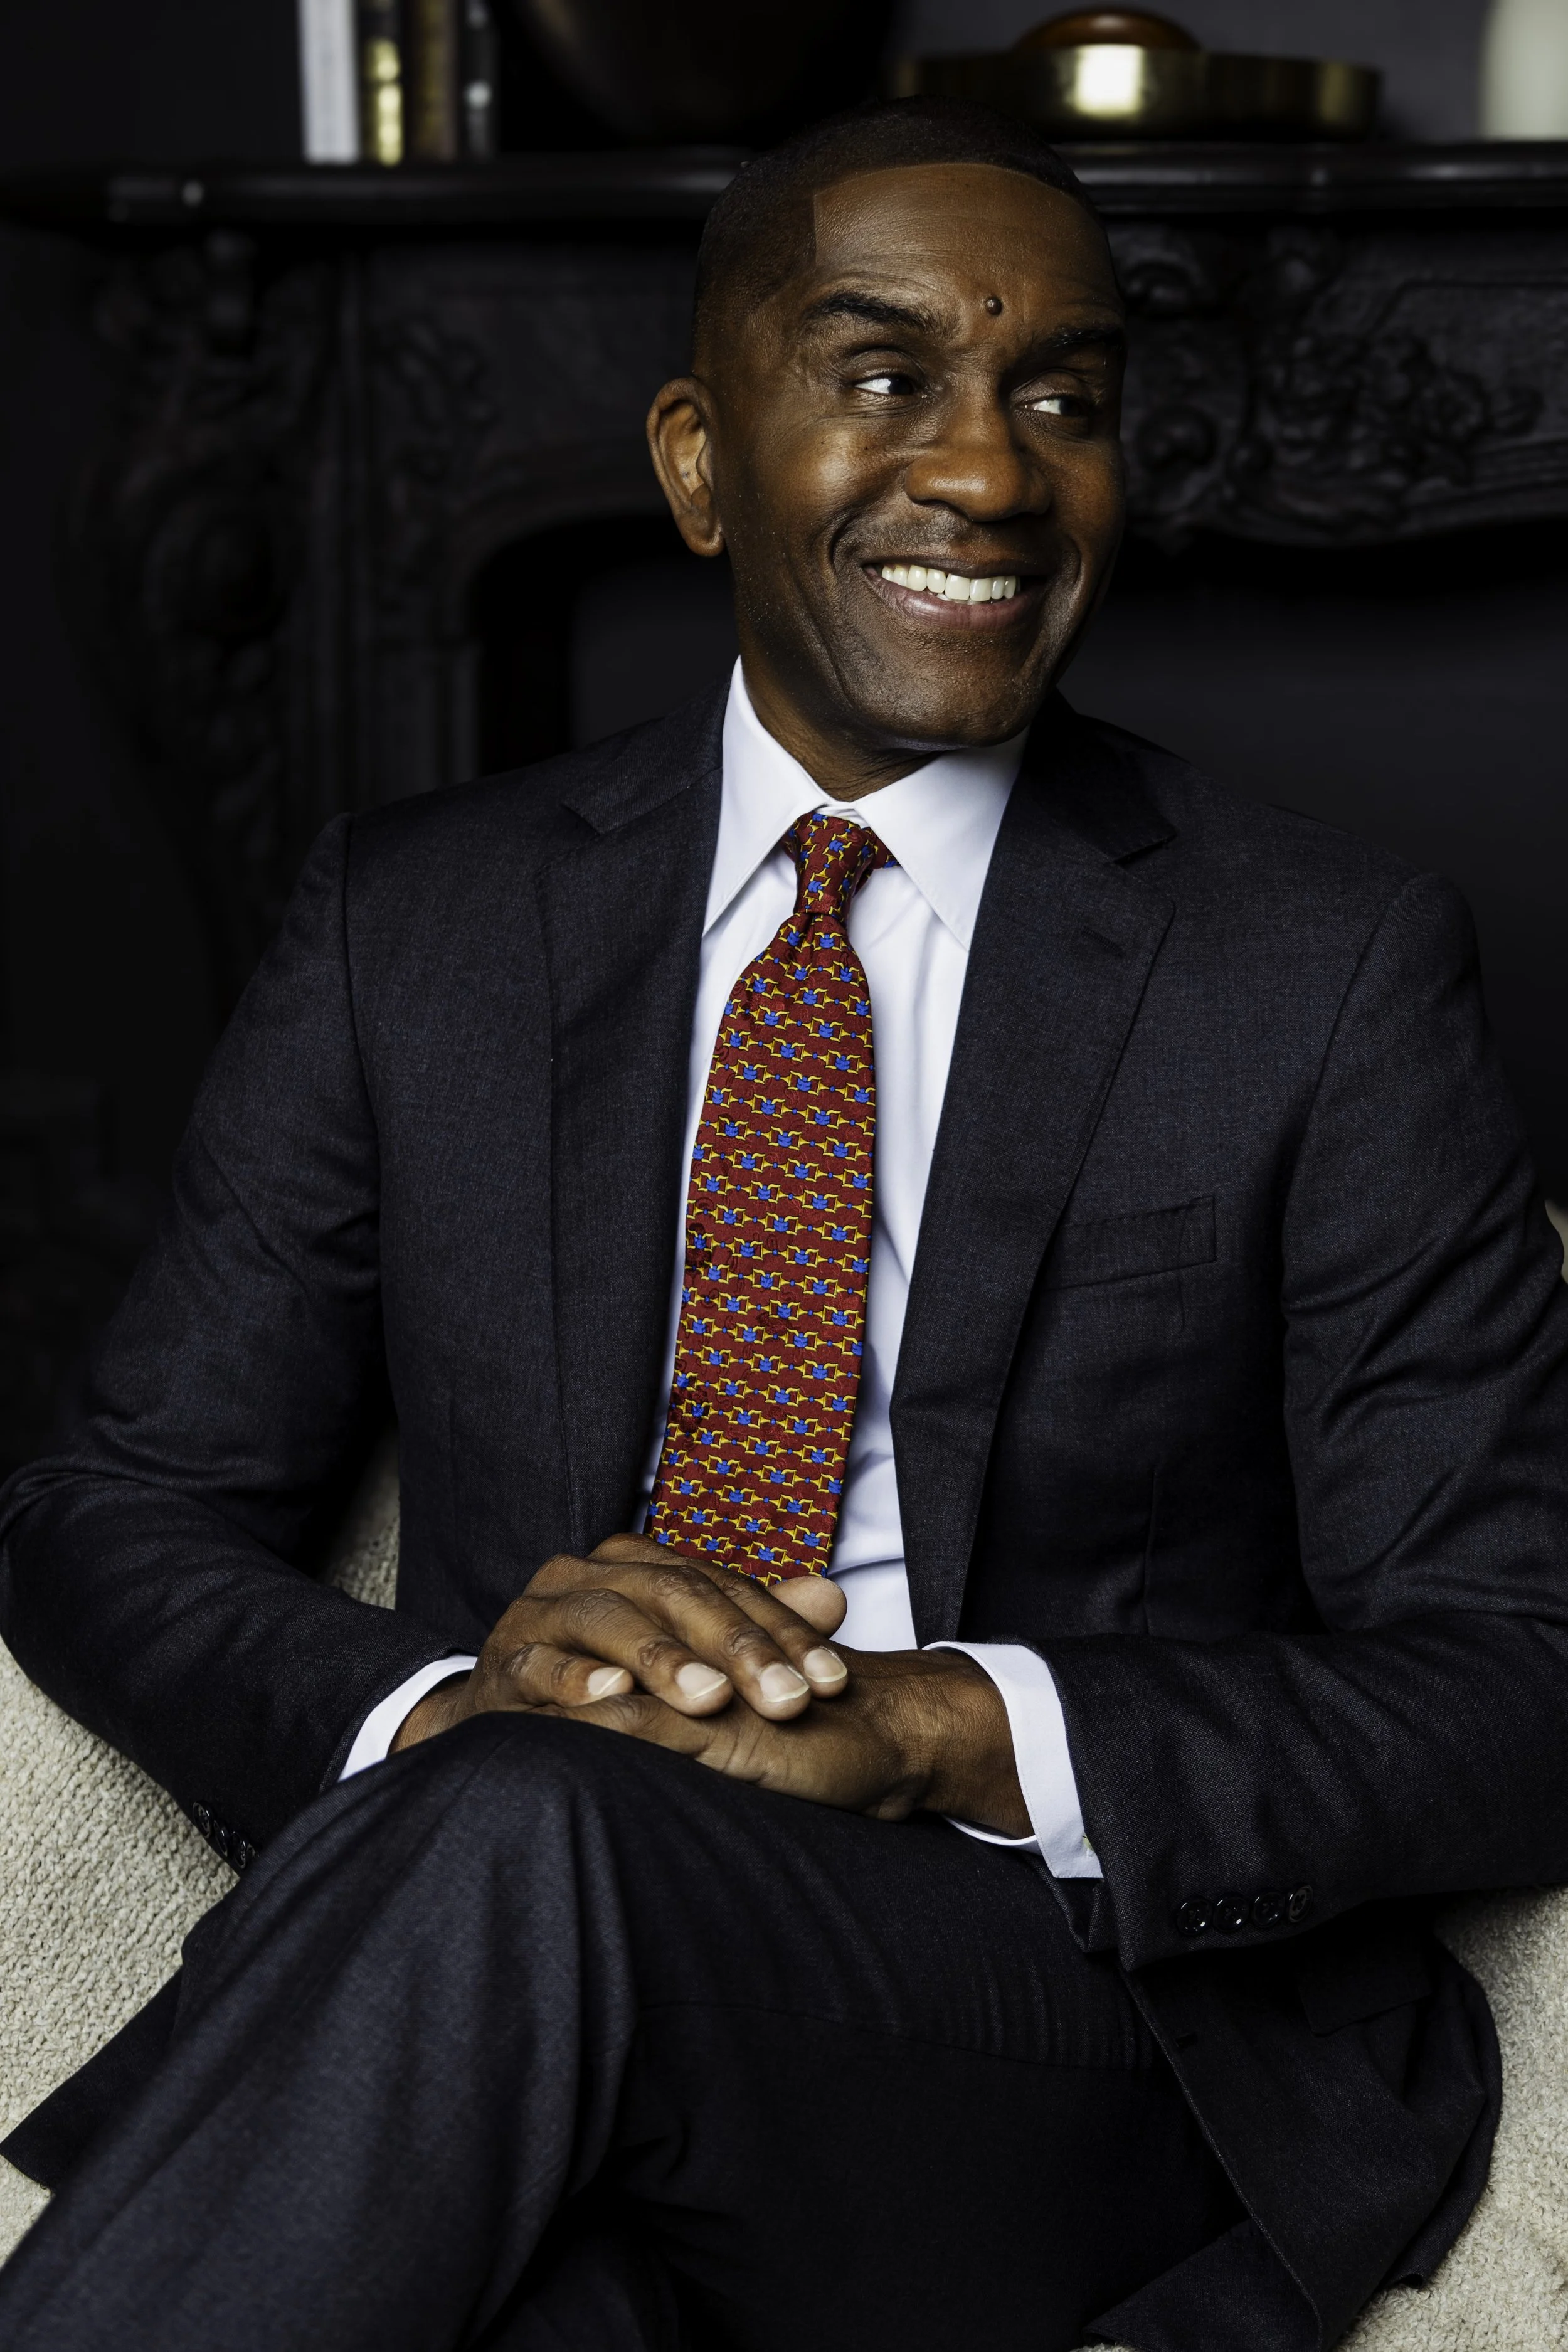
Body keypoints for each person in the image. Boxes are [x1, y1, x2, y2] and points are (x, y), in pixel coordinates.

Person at [2, 96, 1567, 2352]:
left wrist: (937, 1725)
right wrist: (441, 1711)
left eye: (1064, 398)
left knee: (535, 1856)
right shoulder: (414, 928)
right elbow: (108, 1510)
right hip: (524, 1963)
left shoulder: (1312, 969)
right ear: (697, 458)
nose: (992, 471)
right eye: (881, 378)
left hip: (1066, 2025)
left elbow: (1517, 1664)